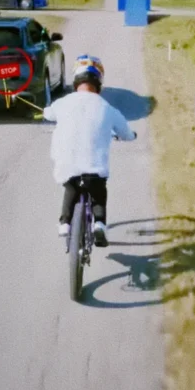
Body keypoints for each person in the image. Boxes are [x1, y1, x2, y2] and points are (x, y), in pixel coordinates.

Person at [42, 54, 136, 247]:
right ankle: (100, 224)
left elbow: (48, 113)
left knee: (70, 186)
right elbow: (126, 133)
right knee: (99, 191)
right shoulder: (107, 108)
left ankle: (65, 223)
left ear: (76, 80)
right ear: (99, 81)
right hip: (95, 169)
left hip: (67, 166)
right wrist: (132, 136)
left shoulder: (63, 102)